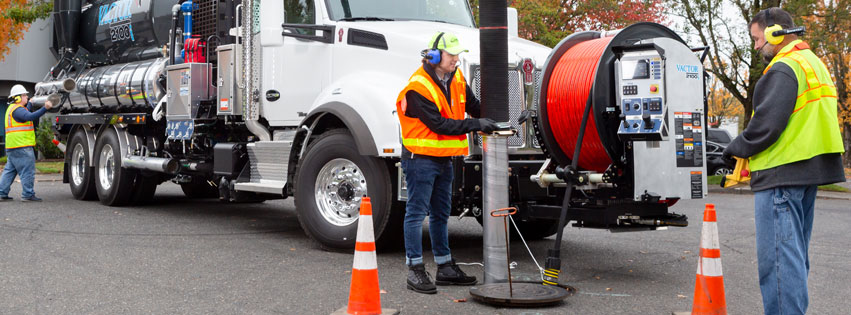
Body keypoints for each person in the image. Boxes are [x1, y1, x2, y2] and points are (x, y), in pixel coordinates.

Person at [723, 7, 845, 314]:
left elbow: (766, 125)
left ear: (775, 32)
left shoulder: (783, 67)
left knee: (778, 260)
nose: (756, 46)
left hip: (781, 175)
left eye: (757, 38)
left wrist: (732, 148)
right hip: (806, 174)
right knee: (794, 257)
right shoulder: (814, 63)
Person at [395, 31, 498, 294]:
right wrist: (477, 124)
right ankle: (415, 270)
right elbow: (440, 124)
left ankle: (445, 267)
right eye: (452, 55)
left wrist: (497, 116)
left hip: (444, 160)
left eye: (457, 55)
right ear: (434, 56)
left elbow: (475, 107)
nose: (456, 59)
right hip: (420, 160)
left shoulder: (457, 78)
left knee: (441, 214)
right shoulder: (418, 87)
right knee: (417, 214)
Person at [1, 84, 53, 202]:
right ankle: (28, 194)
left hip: (13, 146)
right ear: (17, 98)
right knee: (27, 170)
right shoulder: (18, 110)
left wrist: (30, 103)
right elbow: (29, 116)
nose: (26, 97)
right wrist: (45, 108)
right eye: (24, 95)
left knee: (10, 170)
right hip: (22, 146)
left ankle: (1, 193)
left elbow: (26, 112)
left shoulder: (12, 108)